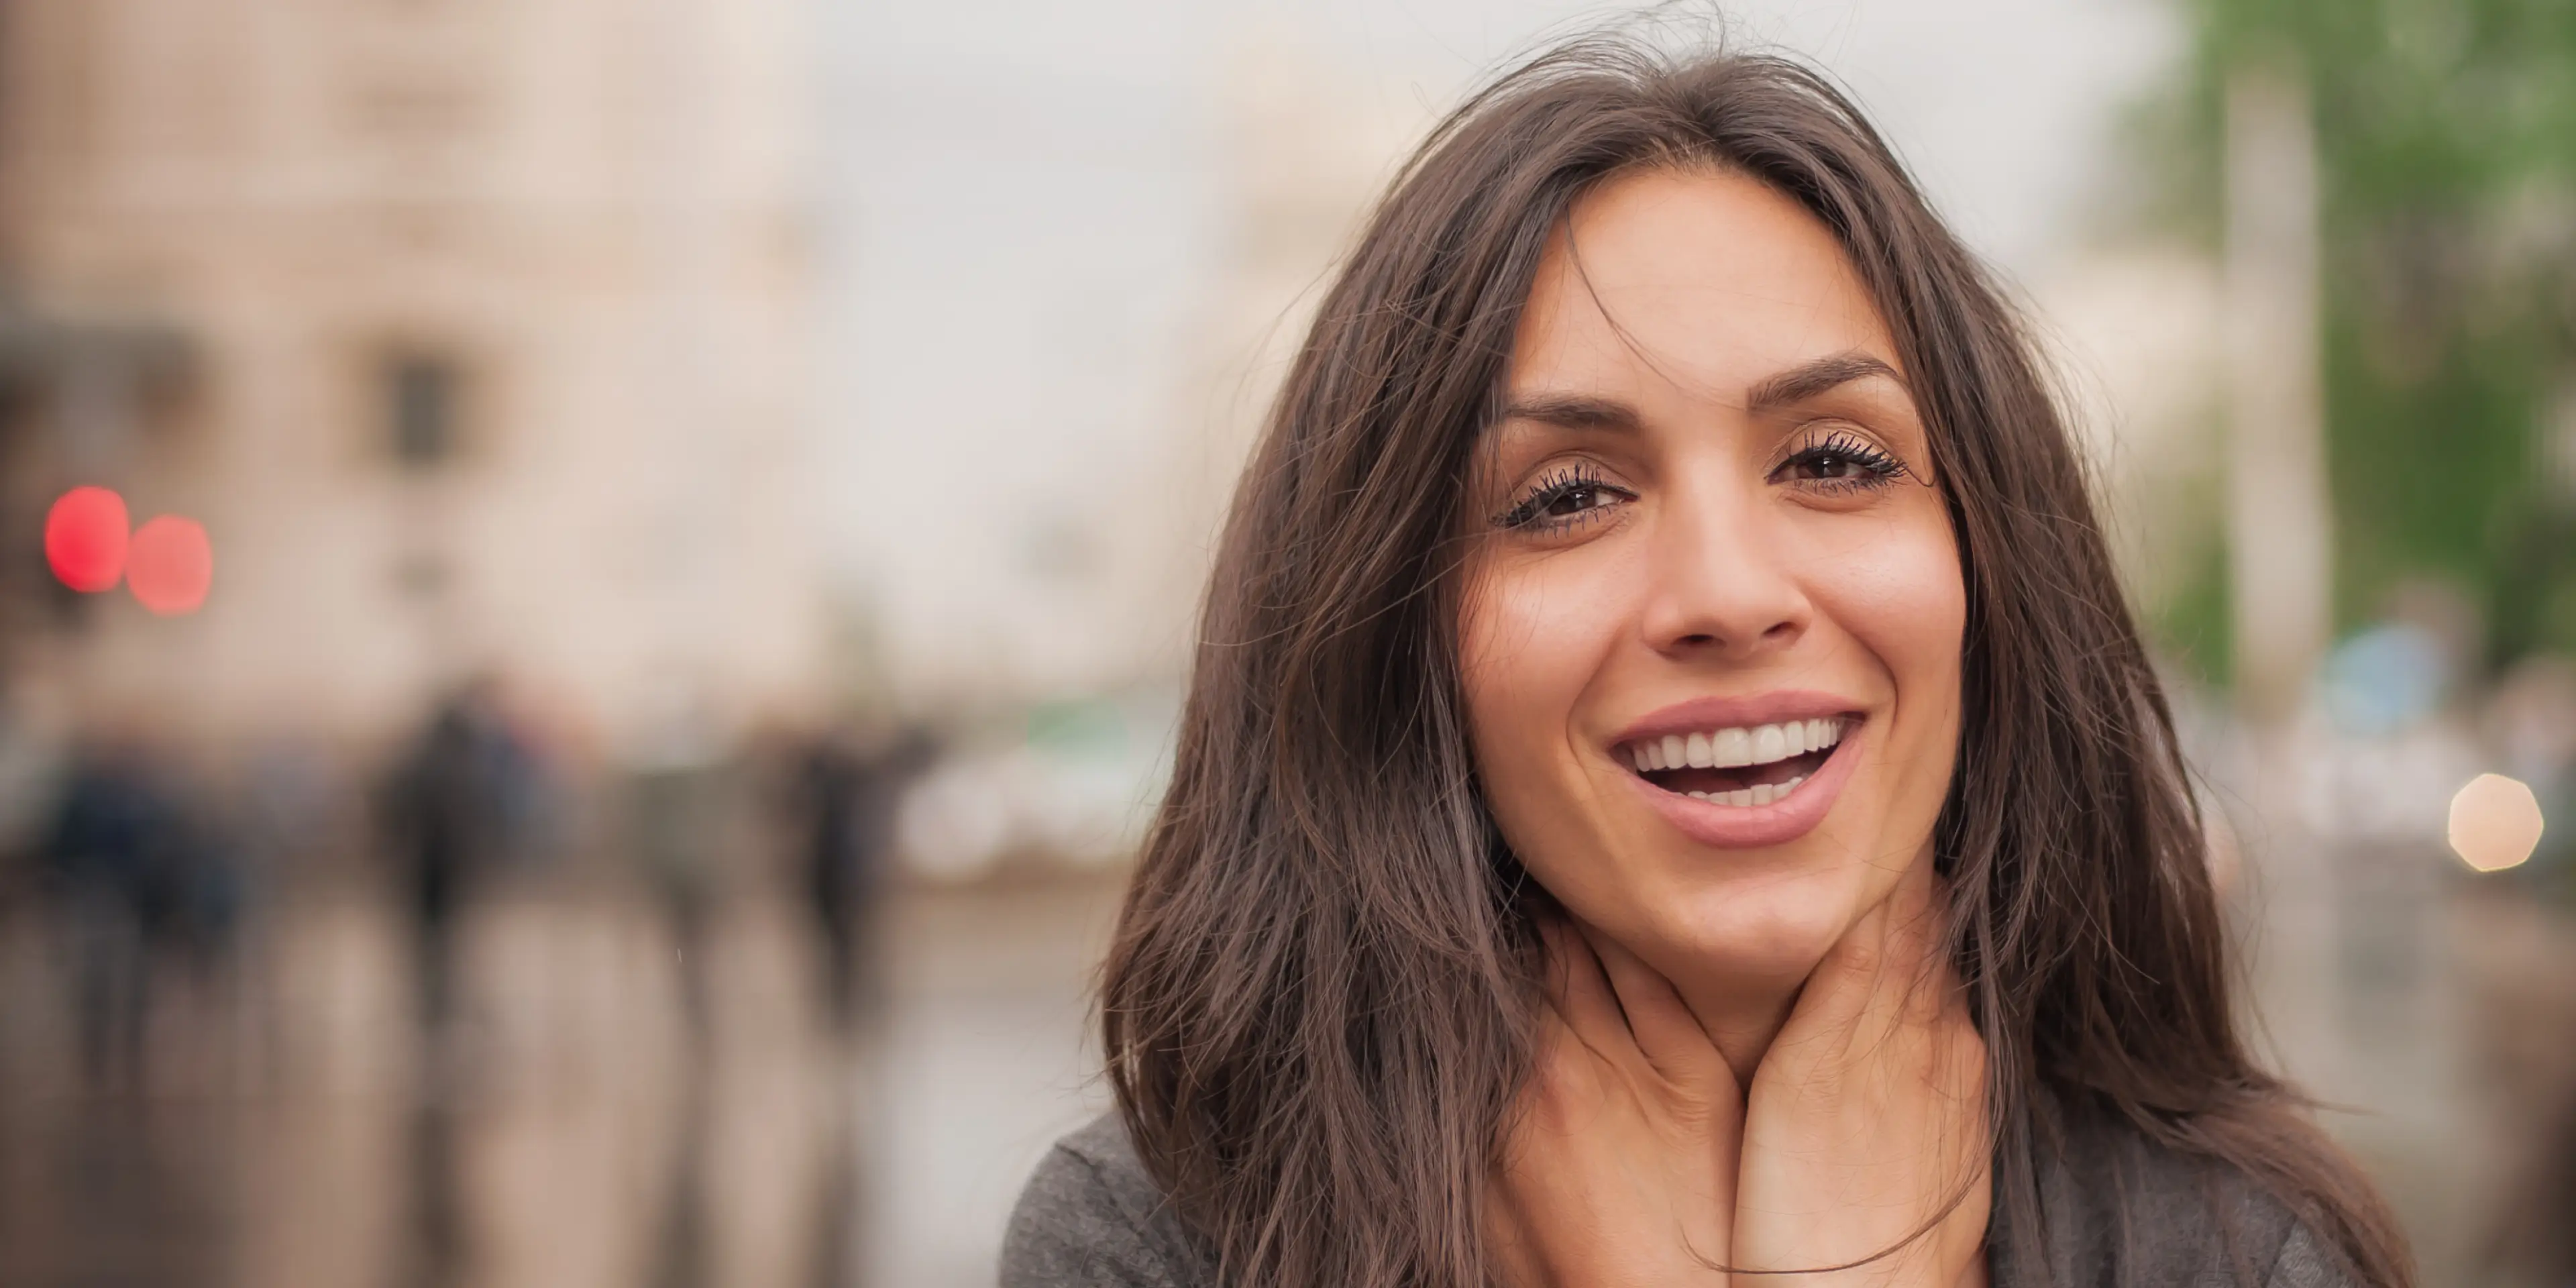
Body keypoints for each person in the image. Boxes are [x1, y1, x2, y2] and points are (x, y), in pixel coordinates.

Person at [1000, 35, 2412, 1288]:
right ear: (1395, 630)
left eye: (1834, 460)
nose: (1729, 595)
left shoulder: (2231, 1250)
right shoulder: (1156, 1244)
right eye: (1566, 496)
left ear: (1988, 560)